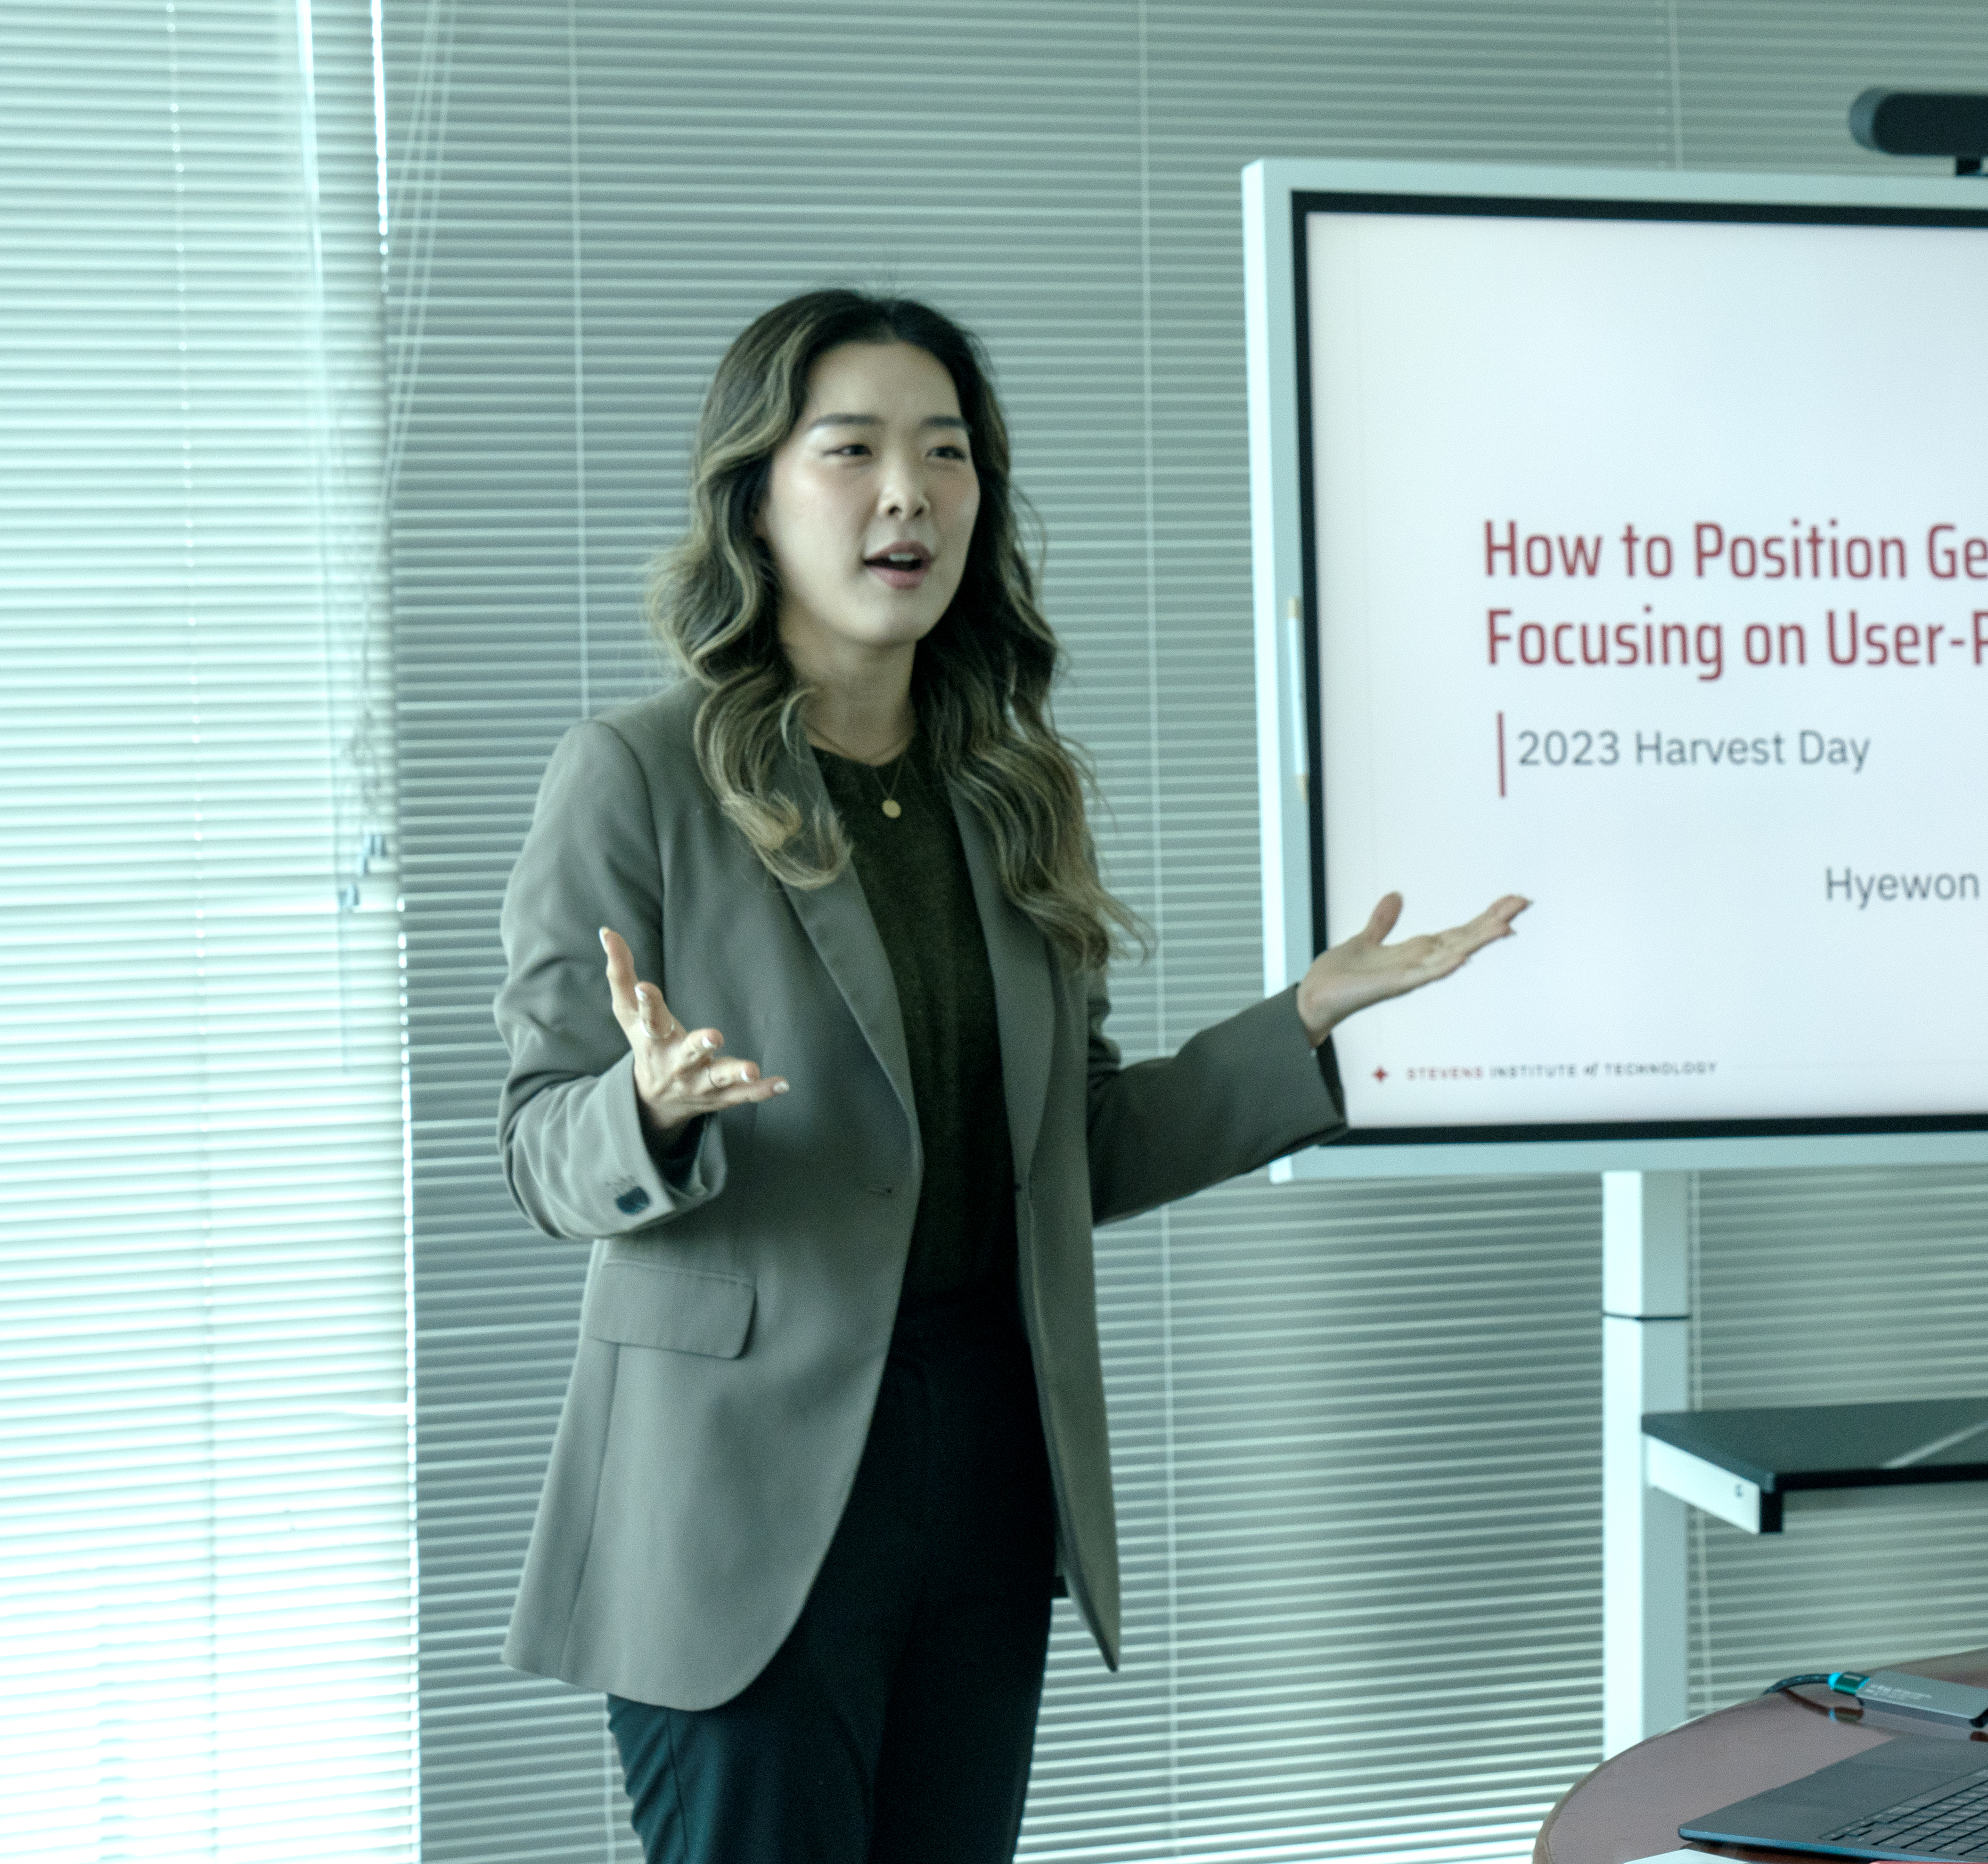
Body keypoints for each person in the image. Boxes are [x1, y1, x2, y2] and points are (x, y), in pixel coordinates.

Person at [490, 288, 1524, 1864]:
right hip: (740, 1496)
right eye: (851, 450)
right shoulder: (637, 775)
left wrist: (1303, 1021)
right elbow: (535, 1146)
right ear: (757, 497)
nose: (907, 491)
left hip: (987, 1456)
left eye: (946, 452)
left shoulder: (1002, 788)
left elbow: (1074, 1147)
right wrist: (642, 1109)